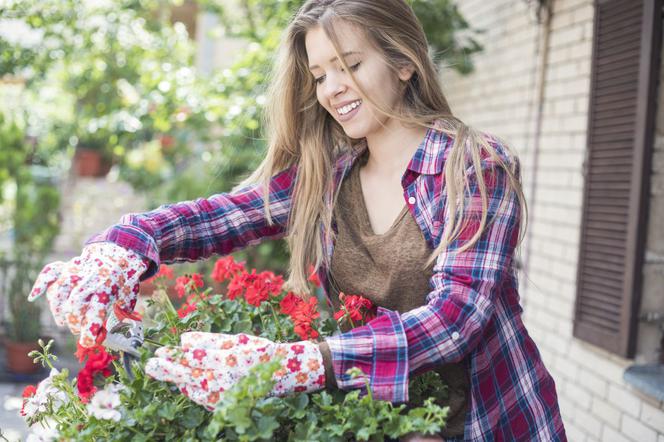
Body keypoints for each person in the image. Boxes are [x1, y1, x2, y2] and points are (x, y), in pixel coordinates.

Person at [28, 0, 567, 440]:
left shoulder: (472, 165)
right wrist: (119, 249)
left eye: (351, 65)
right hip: (391, 423)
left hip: (489, 420)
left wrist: (295, 363)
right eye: (319, 74)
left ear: (404, 63)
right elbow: (216, 218)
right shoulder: (330, 180)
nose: (332, 88)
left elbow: (458, 317)